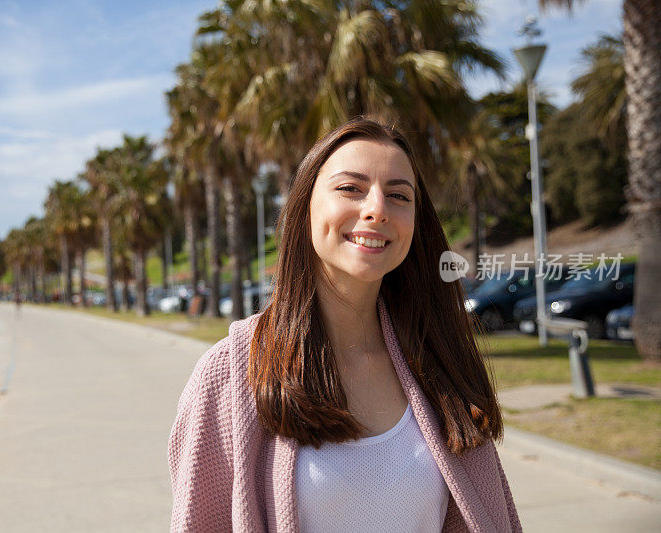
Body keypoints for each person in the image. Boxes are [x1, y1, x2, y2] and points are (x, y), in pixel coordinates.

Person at [168, 118, 521, 532]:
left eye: (398, 195)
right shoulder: (228, 374)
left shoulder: (440, 359)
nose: (377, 209)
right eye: (350, 188)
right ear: (307, 206)